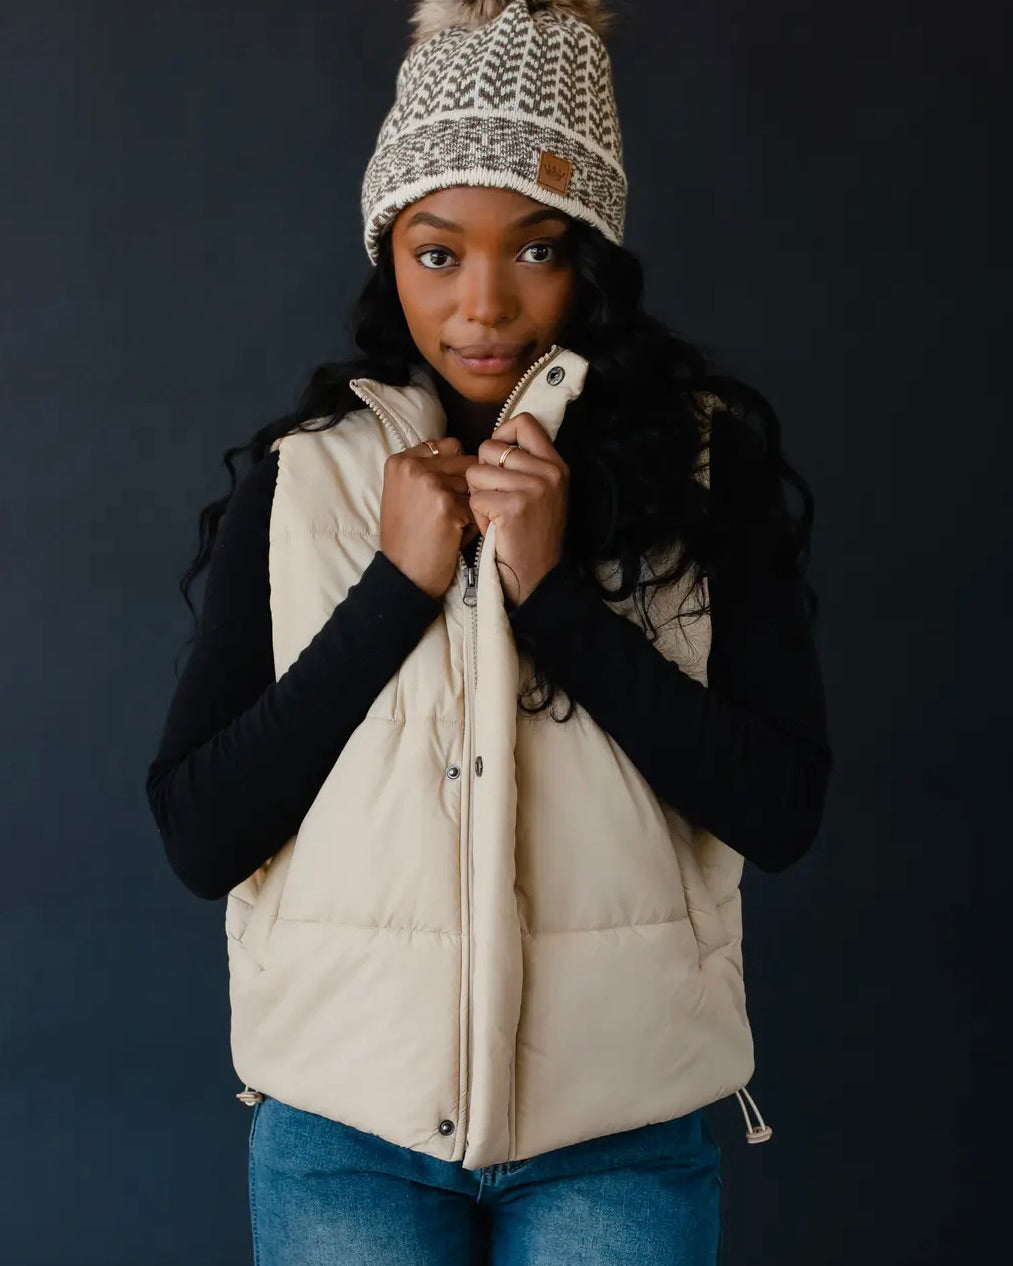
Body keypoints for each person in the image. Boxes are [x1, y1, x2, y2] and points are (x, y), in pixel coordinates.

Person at [145, 2, 833, 1262]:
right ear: (386, 254)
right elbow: (202, 834)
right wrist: (395, 591)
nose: (484, 305)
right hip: (344, 1137)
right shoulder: (306, 485)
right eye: (436, 251)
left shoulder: (699, 465)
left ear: (594, 257)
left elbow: (778, 810)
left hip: (616, 1129)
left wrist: (554, 598)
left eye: (536, 247)